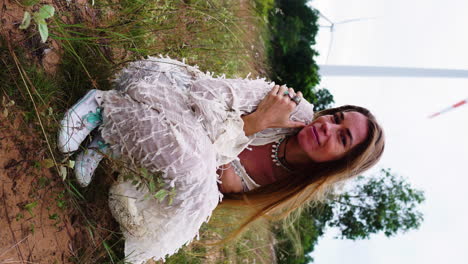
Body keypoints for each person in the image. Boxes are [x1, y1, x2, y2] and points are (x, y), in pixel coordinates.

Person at [57, 57, 384, 264]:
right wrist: (255, 123)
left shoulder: (283, 186)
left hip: (164, 138)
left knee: (194, 183)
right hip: (163, 90)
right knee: (194, 168)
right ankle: (103, 106)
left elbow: (204, 177)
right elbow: (207, 95)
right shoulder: (291, 105)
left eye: (342, 138)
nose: (328, 127)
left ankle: (107, 140)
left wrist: (216, 151)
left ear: (340, 164)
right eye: (336, 117)